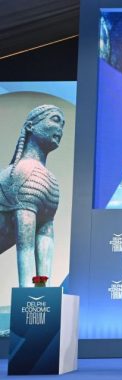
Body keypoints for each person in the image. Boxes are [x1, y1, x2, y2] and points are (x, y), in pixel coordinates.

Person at [0, 105, 65, 287]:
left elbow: (45, 233)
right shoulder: (23, 171)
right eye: (55, 120)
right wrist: (27, 292)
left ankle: (44, 289)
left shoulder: (49, 179)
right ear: (31, 126)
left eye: (63, 125)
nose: (60, 129)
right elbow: (25, 243)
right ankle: (29, 291)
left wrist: (44, 293)